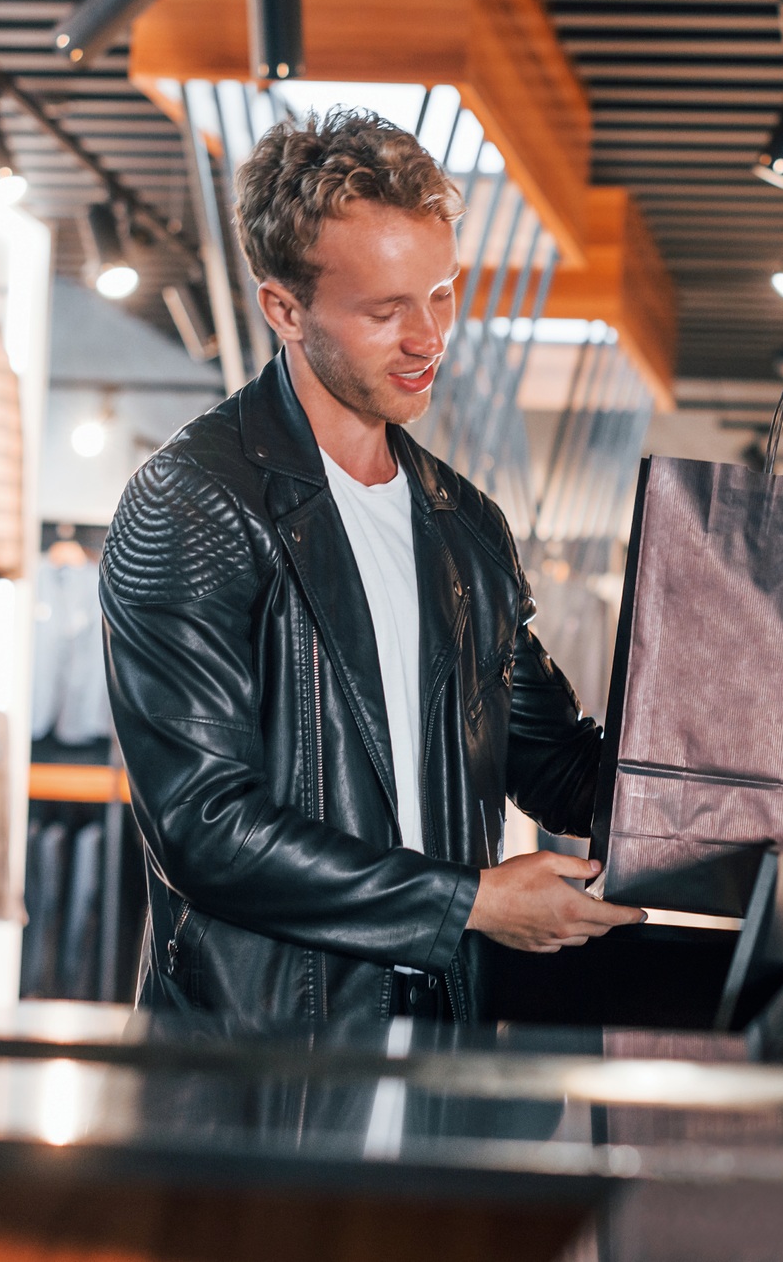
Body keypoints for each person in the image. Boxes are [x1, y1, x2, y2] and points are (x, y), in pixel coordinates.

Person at [101, 109, 642, 1027]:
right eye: (386, 310)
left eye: (441, 292)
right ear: (284, 307)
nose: (430, 337)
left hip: (441, 1037)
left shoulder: (465, 524)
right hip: (259, 1064)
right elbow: (204, 827)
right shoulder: (192, 503)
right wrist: (473, 901)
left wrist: (744, 757)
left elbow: (556, 763)